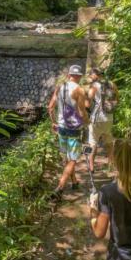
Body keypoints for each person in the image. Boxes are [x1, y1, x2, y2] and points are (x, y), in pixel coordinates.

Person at [48, 65, 89, 199]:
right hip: (74, 128)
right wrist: (88, 124)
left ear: (68, 75)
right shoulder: (80, 90)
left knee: (67, 157)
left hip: (61, 127)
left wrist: (54, 122)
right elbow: (82, 112)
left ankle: (75, 182)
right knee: (72, 159)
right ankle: (60, 187)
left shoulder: (60, 87)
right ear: (80, 76)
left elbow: (50, 107)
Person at [85, 68, 119, 173]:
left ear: (95, 75)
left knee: (93, 143)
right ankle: (112, 166)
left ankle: (91, 167)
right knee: (109, 143)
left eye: (91, 75)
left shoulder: (94, 86)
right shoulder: (112, 84)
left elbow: (87, 103)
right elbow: (117, 98)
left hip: (97, 118)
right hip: (109, 117)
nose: (90, 77)